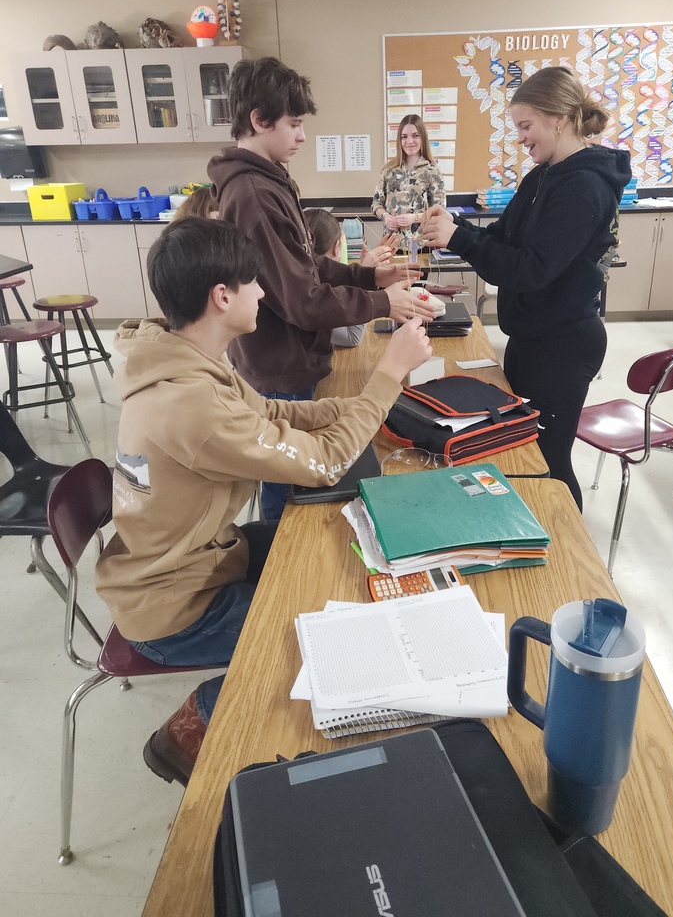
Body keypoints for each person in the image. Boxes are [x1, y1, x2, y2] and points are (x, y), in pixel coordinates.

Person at [95, 215, 431, 787]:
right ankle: (193, 725)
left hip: (195, 558)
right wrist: (388, 377)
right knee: (334, 642)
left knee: (336, 552)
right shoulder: (188, 404)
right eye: (254, 283)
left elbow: (272, 414)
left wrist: (362, 405)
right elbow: (326, 463)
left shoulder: (185, 357)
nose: (263, 292)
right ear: (221, 296)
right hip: (174, 604)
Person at [208, 57, 433, 521]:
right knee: (289, 493)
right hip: (278, 366)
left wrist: (368, 278)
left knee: (296, 476)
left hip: (288, 362)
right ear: (258, 119)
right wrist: (381, 302)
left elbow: (304, 267)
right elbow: (303, 301)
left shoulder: (269, 180)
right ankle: (276, 560)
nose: (302, 135)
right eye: (293, 123)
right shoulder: (253, 193)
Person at [422, 66, 631, 510]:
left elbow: (531, 269)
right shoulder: (542, 176)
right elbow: (505, 236)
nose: (521, 138)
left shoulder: (584, 187)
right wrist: (454, 226)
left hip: (564, 344)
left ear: (558, 118)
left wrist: (458, 240)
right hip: (531, 336)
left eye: (526, 126)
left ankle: (569, 559)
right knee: (518, 447)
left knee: (548, 461)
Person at [304, 207, 398, 348]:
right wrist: (364, 278)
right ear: (337, 247)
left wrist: (361, 274)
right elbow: (352, 337)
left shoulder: (300, 275)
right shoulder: (314, 290)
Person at [371, 113, 447, 245]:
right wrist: (385, 216)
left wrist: (414, 218)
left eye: (415, 136)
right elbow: (376, 204)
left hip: (422, 245)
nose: (409, 141)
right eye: (404, 137)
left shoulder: (432, 172)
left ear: (422, 138)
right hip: (391, 245)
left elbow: (440, 212)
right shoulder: (388, 170)